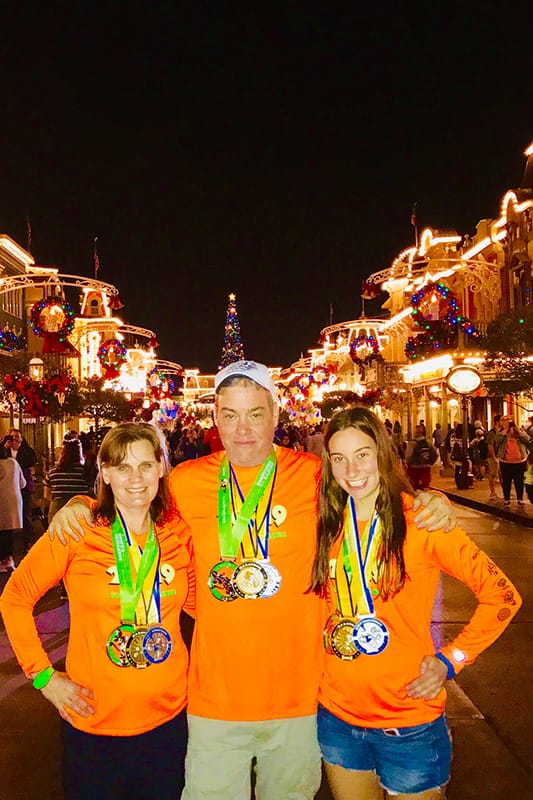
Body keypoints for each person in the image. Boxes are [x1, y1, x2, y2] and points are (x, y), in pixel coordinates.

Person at [47, 360, 456, 800]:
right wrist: (81, 504)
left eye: (256, 414)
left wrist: (430, 499)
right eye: (230, 415)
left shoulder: (316, 476)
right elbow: (132, 500)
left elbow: (372, 490)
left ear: (276, 415)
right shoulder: (186, 482)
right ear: (216, 416)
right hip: (212, 706)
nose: (243, 429)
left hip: (298, 704)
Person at [311, 406, 521, 799]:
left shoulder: (423, 523)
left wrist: (451, 660)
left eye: (363, 454)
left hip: (407, 723)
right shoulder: (324, 523)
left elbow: (503, 596)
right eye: (339, 458)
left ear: (382, 454)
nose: (352, 470)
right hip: (337, 720)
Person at [0, 423, 194, 800]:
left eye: (145, 465)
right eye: (122, 467)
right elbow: (15, 597)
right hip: (94, 724)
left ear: (161, 468)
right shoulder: (78, 530)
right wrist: (43, 677)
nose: (135, 478)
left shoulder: (178, 532)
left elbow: (201, 607)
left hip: (169, 722)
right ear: (104, 472)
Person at [1, 429, 37, 551]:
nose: (14, 439)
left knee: (26, 514)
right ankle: (9, 545)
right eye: (12, 437)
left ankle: (27, 541)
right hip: (8, 486)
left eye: (17, 437)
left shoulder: (26, 450)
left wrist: (19, 449)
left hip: (23, 485)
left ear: (21, 438)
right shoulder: (5, 450)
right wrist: (5, 447)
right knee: (8, 517)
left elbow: (31, 461)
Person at [44, 439, 92, 520]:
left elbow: (46, 495)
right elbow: (91, 492)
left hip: (57, 511)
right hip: (80, 511)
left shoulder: (53, 472)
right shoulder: (85, 472)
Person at [0, 444, 26, 572]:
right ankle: (8, 560)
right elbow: (23, 483)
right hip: (14, 501)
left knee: (2, 530)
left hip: (2, 501)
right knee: (8, 531)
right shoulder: (13, 463)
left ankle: (3, 560)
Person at [494, 416, 530, 507]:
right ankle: (507, 499)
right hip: (505, 461)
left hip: (519, 461)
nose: (508, 424)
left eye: (509, 422)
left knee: (519, 481)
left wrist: (518, 431)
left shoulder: (519, 431)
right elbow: (497, 441)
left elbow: (527, 439)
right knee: (506, 481)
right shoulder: (501, 432)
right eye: (505, 422)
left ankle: (520, 499)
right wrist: (505, 431)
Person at [405, 424, 438, 490]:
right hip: (425, 468)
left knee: (414, 488)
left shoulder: (411, 443)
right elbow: (435, 454)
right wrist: (430, 463)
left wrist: (408, 464)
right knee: (425, 487)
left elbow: (408, 457)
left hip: (414, 469)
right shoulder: (428, 443)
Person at [485, 415, 502, 501]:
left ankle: (503, 493)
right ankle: (492, 492)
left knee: (500, 475)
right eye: (501, 420)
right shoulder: (492, 433)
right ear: (497, 422)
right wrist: (494, 457)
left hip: (500, 456)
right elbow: (490, 445)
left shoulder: (500, 432)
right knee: (493, 474)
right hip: (493, 457)